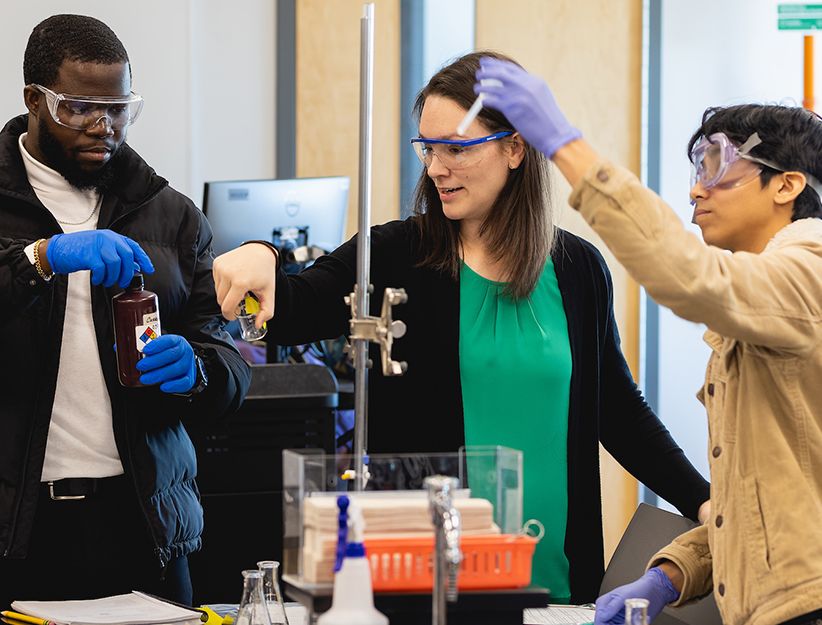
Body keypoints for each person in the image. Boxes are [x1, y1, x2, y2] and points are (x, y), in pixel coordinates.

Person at [212, 51, 710, 604]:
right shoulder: (398, 255)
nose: (435, 168)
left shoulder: (577, 268)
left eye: (457, 148)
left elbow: (616, 408)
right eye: (427, 148)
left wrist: (704, 501)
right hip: (429, 580)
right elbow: (296, 306)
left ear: (514, 149)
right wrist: (262, 252)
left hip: (557, 573)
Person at [470, 60, 822, 625]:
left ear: (787, 185)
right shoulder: (768, 309)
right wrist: (667, 576)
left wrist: (567, 146)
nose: (697, 189)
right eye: (698, 167)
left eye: (719, 166)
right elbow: (757, 506)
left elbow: (689, 275)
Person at [0, 14, 250, 620]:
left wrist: (198, 370)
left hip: (143, 525)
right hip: (7, 530)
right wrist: (36, 260)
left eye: (118, 108)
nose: (103, 126)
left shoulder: (173, 217)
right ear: (35, 100)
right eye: (82, 108)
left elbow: (228, 366)